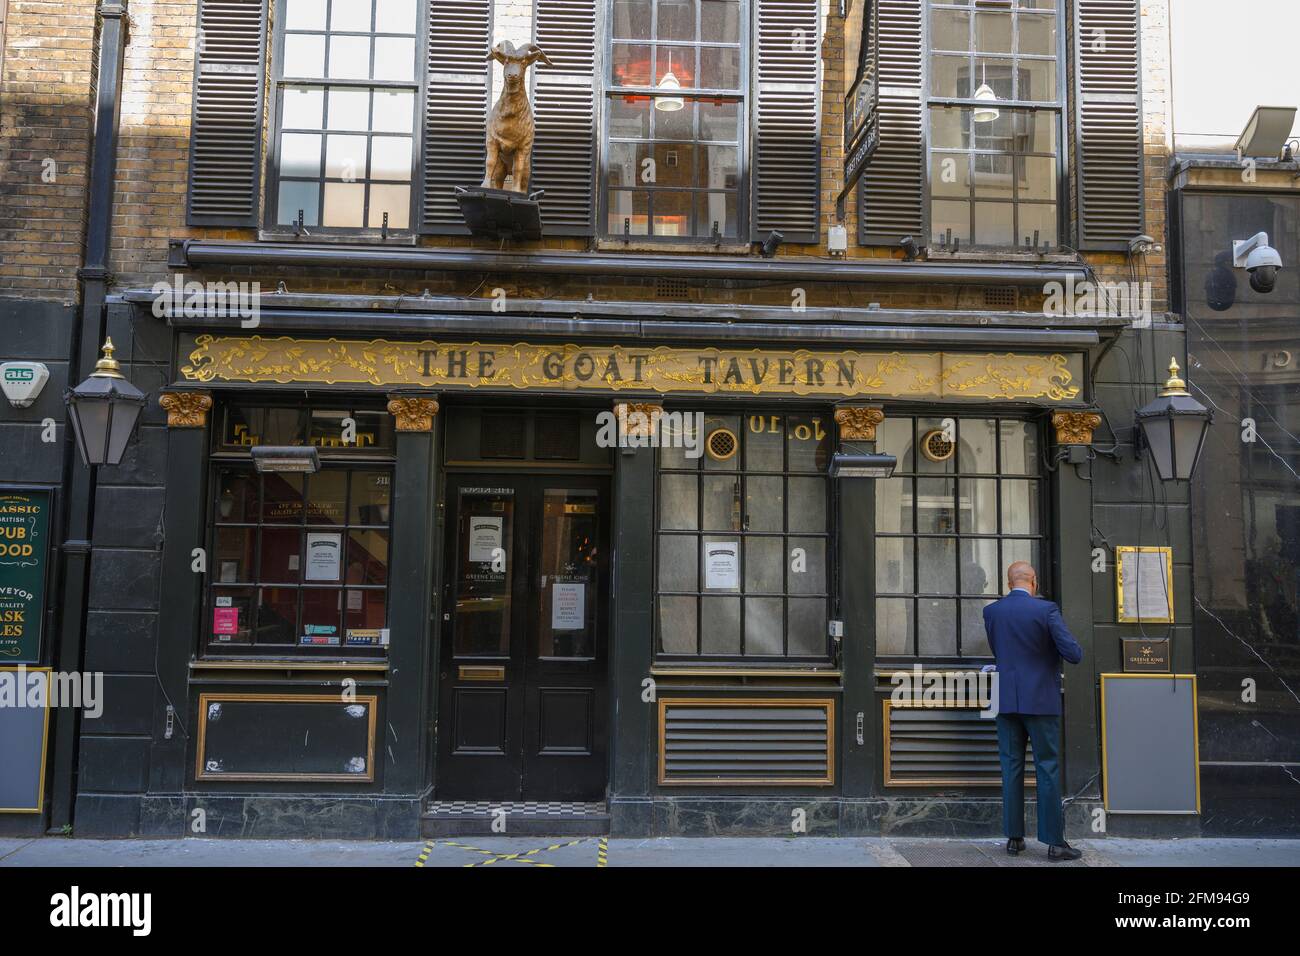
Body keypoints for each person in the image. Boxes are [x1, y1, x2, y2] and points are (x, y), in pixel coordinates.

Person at [983, 561, 1084, 861]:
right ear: (1034, 581)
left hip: (1006, 700)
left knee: (1011, 767)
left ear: (1008, 582)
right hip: (1040, 701)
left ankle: (1014, 839)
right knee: (1047, 767)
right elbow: (1073, 653)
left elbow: (1000, 650)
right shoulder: (1046, 610)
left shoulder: (992, 612)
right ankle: (1054, 843)